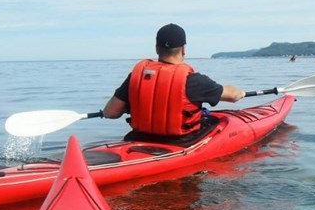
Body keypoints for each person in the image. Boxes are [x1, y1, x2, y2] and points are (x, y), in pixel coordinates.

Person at [103, 23, 246, 138]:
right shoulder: (193, 80)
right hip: (180, 143)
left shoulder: (137, 77)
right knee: (217, 122)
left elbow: (110, 113)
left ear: (156, 49)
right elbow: (232, 96)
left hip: (139, 138)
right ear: (183, 49)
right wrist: (241, 93)